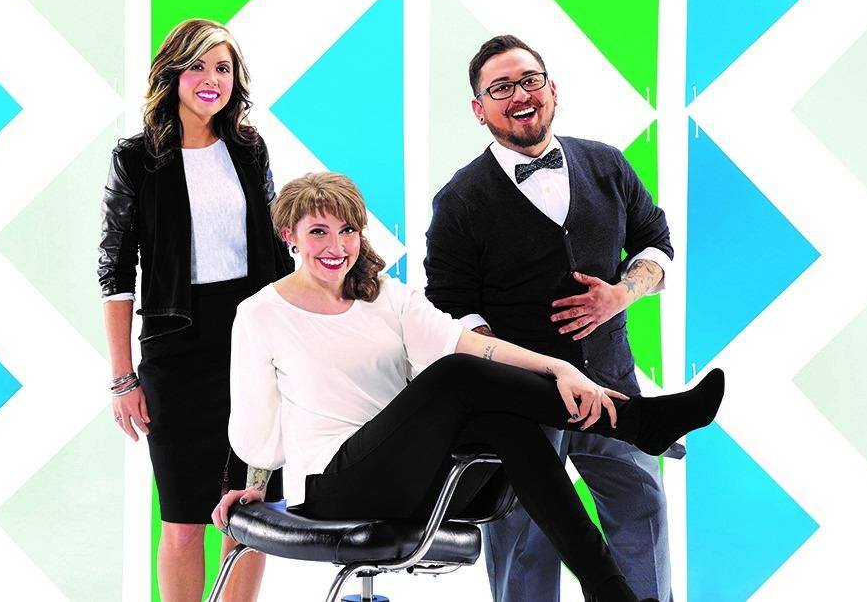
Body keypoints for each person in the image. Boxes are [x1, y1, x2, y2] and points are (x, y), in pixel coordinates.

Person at [213, 173, 723, 602]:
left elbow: (471, 344)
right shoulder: (261, 313)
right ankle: (637, 422)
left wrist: (561, 369)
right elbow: (259, 433)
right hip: (331, 486)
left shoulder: (385, 295)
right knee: (454, 375)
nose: (336, 247)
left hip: (407, 479)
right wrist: (254, 483)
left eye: (347, 230)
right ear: (290, 236)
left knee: (502, 420)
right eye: (318, 232)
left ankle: (610, 591)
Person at [424, 35, 677, 601]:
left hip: (613, 384)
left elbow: (656, 245)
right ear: (478, 109)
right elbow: (449, 306)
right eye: (501, 88)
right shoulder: (459, 199)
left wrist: (621, 294)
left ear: (552, 89)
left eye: (530, 80)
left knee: (642, 509)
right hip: (523, 402)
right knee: (524, 535)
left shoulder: (607, 163)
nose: (520, 94)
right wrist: (516, 368)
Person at [98, 19, 291, 602]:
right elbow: (115, 271)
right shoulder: (136, 158)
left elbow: (277, 247)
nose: (212, 79)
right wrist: (122, 377)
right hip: (176, 346)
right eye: (199, 66)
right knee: (183, 517)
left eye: (223, 68)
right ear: (173, 73)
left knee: (249, 513)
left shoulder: (249, 148)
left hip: (253, 339)